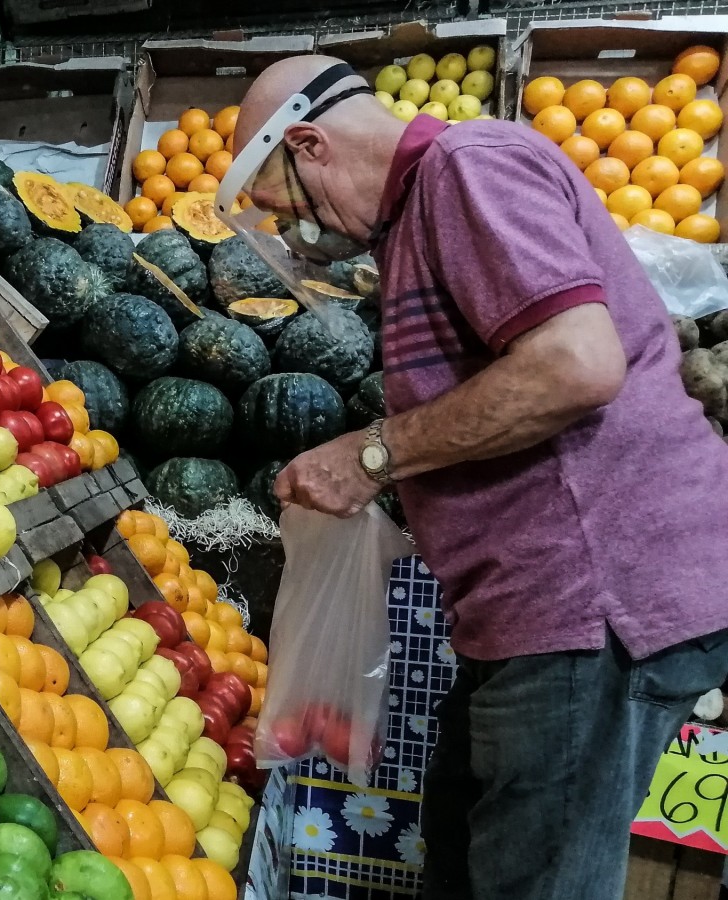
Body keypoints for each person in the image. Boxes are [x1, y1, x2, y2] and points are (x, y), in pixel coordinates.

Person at [217, 56, 728, 899]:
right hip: (541, 612)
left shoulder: (469, 169)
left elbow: (574, 363)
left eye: (287, 212)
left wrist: (372, 455)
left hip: (593, 604)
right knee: (470, 861)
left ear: (310, 145)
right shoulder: (421, 214)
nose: (306, 240)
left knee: (533, 881)